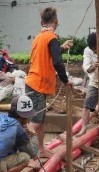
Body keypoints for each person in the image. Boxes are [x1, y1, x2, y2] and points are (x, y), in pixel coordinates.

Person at [25, 7, 73, 158]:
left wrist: (61, 48)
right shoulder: (51, 37)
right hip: (37, 85)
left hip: (34, 83)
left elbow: (49, 54)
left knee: (40, 120)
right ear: (56, 22)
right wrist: (65, 81)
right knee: (35, 123)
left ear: (42, 22)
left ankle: (41, 149)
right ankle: (24, 155)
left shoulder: (40, 37)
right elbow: (58, 62)